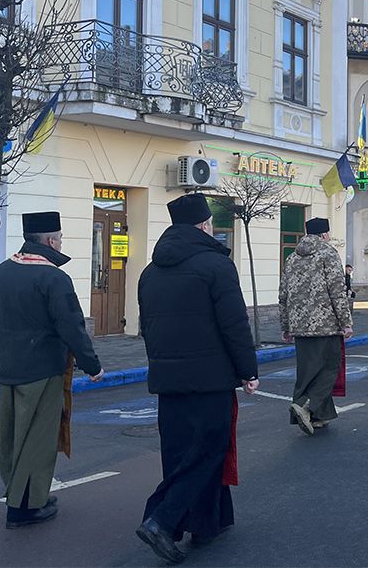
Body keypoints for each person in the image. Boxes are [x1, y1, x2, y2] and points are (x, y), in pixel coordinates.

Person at [136, 193, 260, 564]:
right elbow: (234, 325)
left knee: (178, 454)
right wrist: (247, 371)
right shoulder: (217, 266)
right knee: (208, 452)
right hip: (210, 380)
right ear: (205, 225)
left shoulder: (149, 272)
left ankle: (208, 521)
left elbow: (147, 328)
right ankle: (160, 519)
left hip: (167, 378)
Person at [0, 211, 104, 529]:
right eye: (60, 238)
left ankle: (18, 494)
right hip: (43, 370)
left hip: (9, 369)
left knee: (11, 437)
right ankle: (26, 506)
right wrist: (91, 364)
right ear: (51, 241)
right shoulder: (54, 278)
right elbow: (71, 327)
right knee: (38, 439)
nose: (61, 242)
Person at [280, 218, 353, 435]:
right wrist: (346, 322)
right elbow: (337, 290)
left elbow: (283, 293)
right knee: (330, 367)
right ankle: (305, 405)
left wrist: (285, 325)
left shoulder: (292, 257)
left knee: (307, 371)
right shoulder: (328, 254)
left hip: (299, 325)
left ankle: (320, 415)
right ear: (324, 235)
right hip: (325, 324)